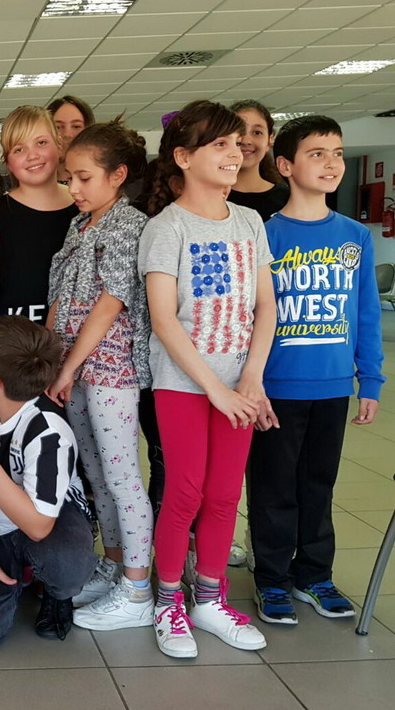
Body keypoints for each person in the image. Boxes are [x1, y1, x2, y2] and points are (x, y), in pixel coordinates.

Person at [139, 100, 277, 659]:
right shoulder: (166, 227)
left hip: (239, 388)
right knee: (186, 492)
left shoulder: (249, 222)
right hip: (183, 385)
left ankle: (210, 599)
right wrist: (215, 390)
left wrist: (252, 380)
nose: (235, 153)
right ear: (183, 156)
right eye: (219, 144)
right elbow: (164, 320)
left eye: (237, 143)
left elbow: (265, 306)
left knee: (224, 495)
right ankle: (167, 600)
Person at [249, 115, 384, 625]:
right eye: (317, 153)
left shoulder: (355, 236)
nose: (332, 163)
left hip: (332, 385)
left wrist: (370, 378)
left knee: (319, 484)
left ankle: (314, 574)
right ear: (285, 166)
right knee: (273, 488)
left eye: (338, 153)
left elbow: (365, 312)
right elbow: (249, 317)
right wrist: (252, 384)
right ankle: (271, 578)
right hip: (276, 387)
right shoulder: (264, 235)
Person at [44, 118, 155, 630]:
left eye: (84, 177)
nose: (74, 188)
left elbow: (111, 303)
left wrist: (68, 366)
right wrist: (52, 359)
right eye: (69, 178)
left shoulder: (129, 224)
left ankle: (137, 588)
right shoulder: (79, 225)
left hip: (109, 370)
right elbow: (60, 298)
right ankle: (113, 565)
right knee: (96, 475)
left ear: (118, 175)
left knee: (123, 477)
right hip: (73, 370)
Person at [0, 316, 95, 646]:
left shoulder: (50, 431)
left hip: (48, 522)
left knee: (67, 564)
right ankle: (14, 571)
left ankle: (56, 592)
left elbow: (39, 526)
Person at [0, 105, 76, 325]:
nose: (32, 155)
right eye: (18, 149)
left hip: (80, 339)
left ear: (59, 144)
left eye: (41, 142)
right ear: (8, 162)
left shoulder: (85, 207)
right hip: (16, 341)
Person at [229, 100, 289, 221]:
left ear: (269, 140)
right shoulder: (209, 198)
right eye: (239, 132)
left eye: (257, 133)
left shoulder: (289, 200)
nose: (246, 141)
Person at [47, 95, 95, 182]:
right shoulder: (35, 183)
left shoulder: (101, 183)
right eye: (58, 127)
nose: (67, 134)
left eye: (76, 126)